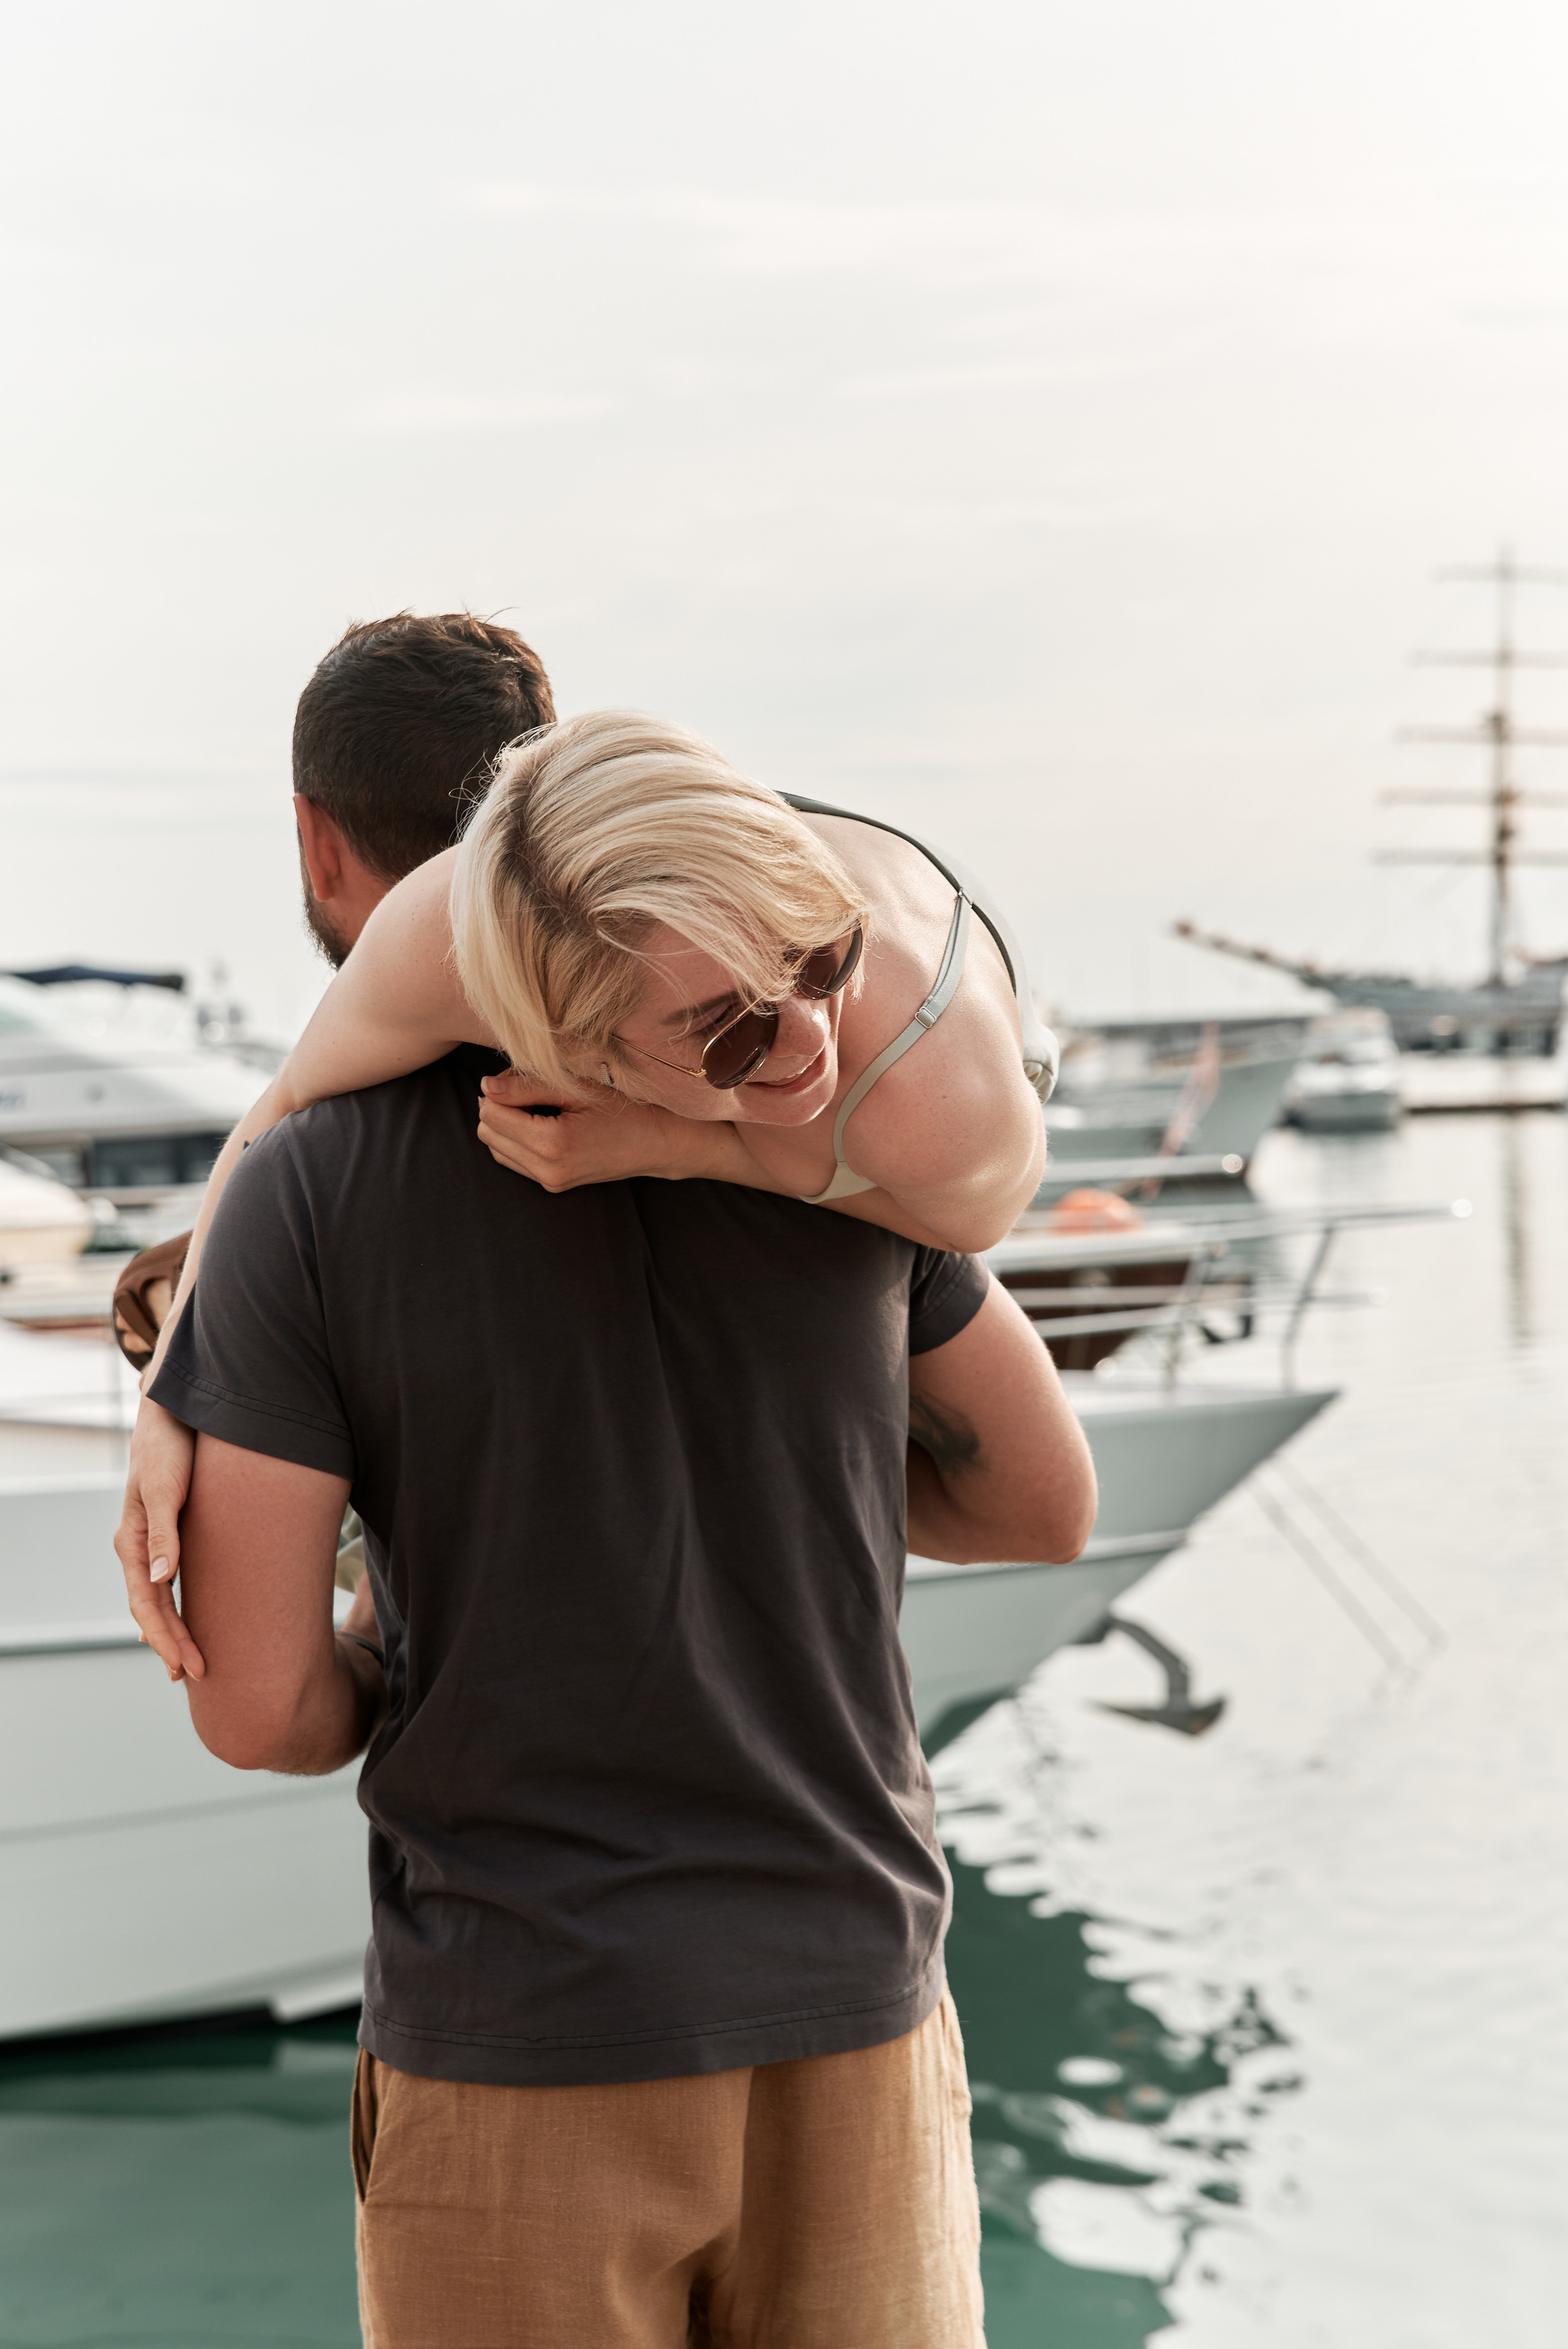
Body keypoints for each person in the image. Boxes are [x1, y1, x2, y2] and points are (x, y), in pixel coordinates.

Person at [147, 981, 1096, 2343]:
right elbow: (1042, 1505)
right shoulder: (807, 1132)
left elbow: (260, 1710)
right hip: (853, 2005)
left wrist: (382, 1642)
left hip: (524, 2018)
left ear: (324, 850)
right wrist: (794, 1470)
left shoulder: (311, 1177)